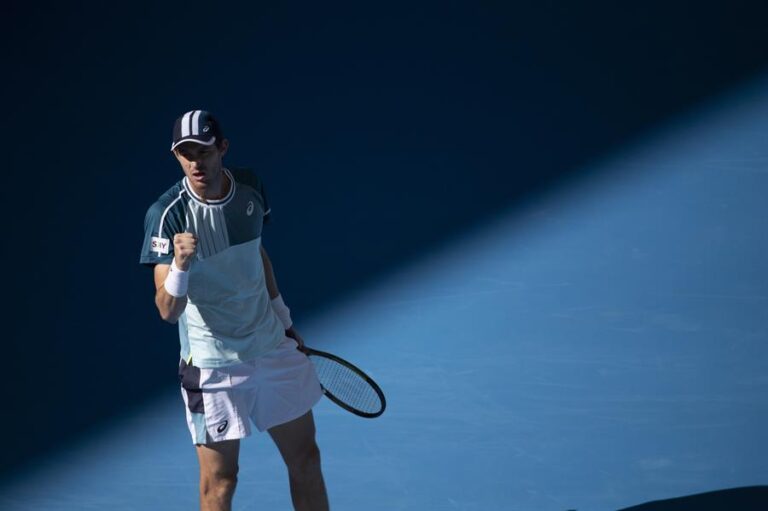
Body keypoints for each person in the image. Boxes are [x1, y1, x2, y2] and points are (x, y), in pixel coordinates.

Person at [139, 110, 329, 511]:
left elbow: (256, 256)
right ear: (176, 157)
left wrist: (285, 322)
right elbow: (167, 310)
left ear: (222, 148)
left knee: (307, 459)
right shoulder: (166, 215)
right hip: (212, 365)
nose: (195, 162)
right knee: (221, 483)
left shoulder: (251, 188)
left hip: (271, 346)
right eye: (185, 153)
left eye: (203, 151)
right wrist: (179, 267)